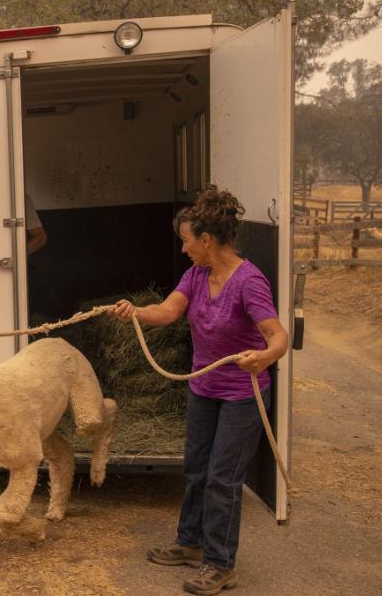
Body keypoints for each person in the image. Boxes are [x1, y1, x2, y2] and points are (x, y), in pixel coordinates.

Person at [109, 187, 289, 595]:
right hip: (203, 387)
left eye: (187, 240)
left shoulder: (249, 282)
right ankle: (190, 544)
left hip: (242, 395)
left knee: (223, 479)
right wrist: (134, 311)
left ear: (206, 240)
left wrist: (264, 357)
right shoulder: (196, 275)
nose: (184, 248)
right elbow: (168, 311)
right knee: (196, 470)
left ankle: (220, 564)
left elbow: (277, 335)